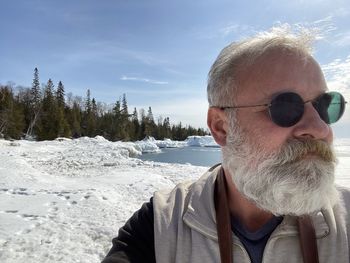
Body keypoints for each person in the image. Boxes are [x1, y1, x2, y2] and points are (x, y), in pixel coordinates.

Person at [102, 26, 350, 263]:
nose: (321, 129)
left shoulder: (346, 220)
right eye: (286, 106)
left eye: (325, 106)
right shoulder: (161, 226)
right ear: (221, 127)